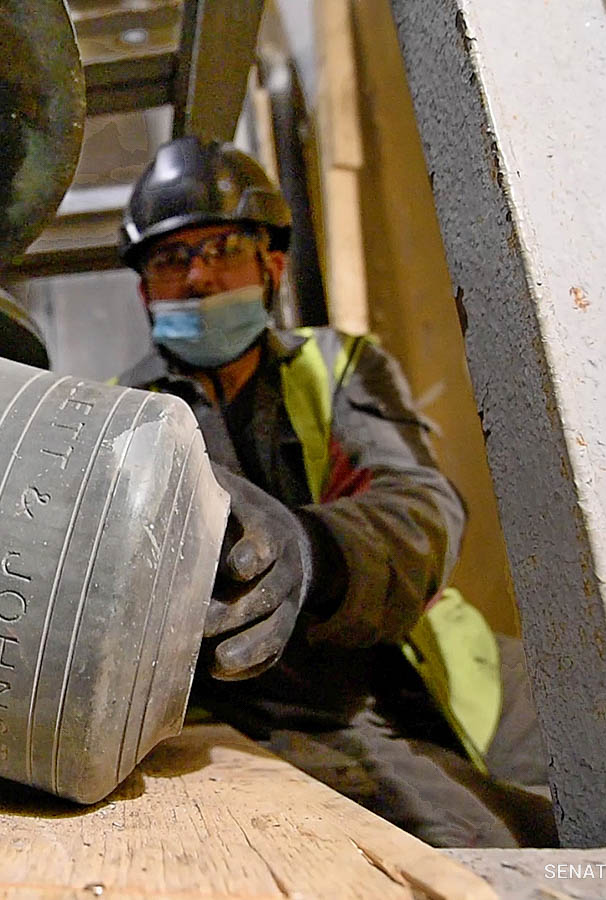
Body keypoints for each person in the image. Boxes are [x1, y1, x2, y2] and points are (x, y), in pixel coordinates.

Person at [116, 136, 556, 848]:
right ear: (145, 290)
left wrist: (312, 550)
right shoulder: (120, 415)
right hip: (225, 711)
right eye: (170, 260)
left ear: (273, 265)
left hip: (379, 678)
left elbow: (421, 509)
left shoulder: (338, 366)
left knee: (511, 837)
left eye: (222, 247)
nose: (197, 277)